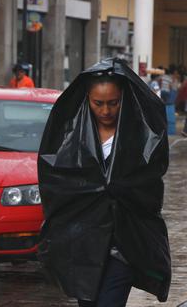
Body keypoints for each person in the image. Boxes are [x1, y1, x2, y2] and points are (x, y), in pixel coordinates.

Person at [37, 58, 171, 307]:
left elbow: (151, 184)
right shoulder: (71, 136)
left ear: (124, 100)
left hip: (123, 244)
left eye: (113, 103)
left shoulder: (140, 134)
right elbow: (55, 182)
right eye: (98, 103)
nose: (106, 111)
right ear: (87, 99)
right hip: (83, 244)